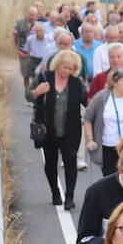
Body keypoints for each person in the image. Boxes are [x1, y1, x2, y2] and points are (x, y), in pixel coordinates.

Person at [26, 49, 85, 209]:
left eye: (70, 69)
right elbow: (28, 94)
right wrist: (37, 92)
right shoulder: (45, 77)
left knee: (70, 160)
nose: (67, 71)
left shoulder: (76, 83)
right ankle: (55, 191)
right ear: (58, 64)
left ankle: (70, 197)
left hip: (71, 130)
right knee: (50, 163)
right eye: (64, 67)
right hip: (48, 130)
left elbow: (87, 101)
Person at [84, 69, 123, 177]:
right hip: (108, 146)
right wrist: (90, 140)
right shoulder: (101, 97)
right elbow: (87, 118)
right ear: (114, 82)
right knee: (111, 179)